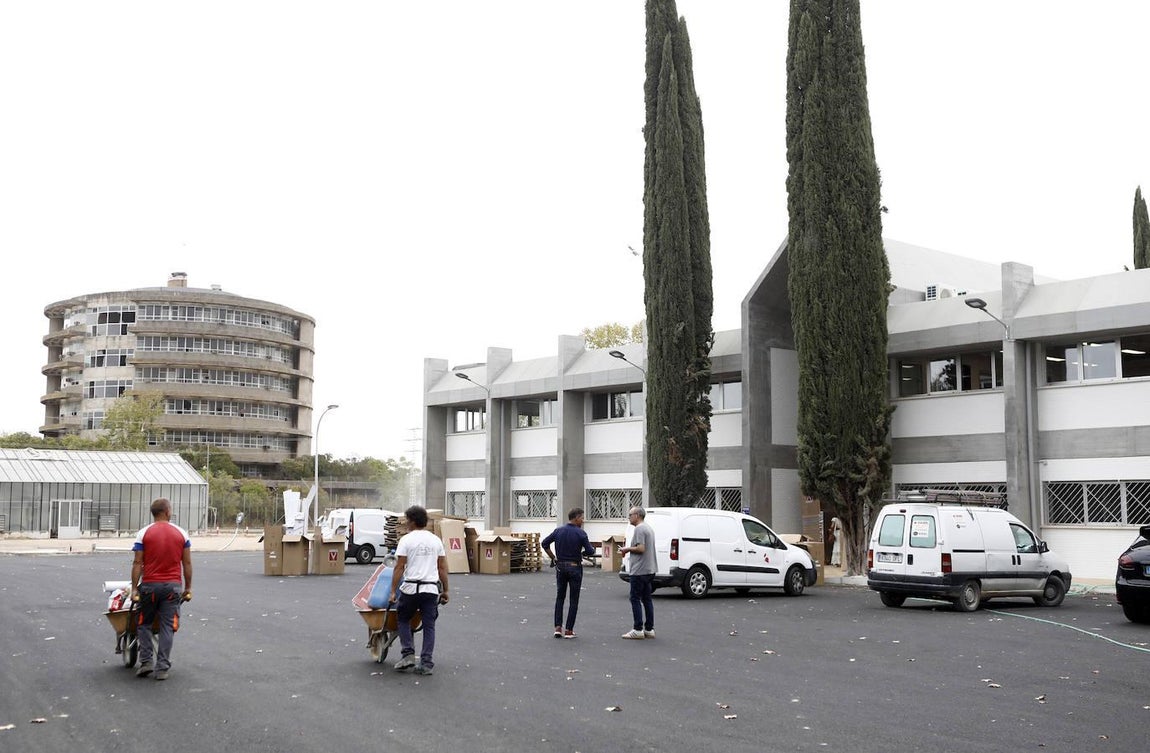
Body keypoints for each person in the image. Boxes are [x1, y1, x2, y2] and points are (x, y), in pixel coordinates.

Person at [129, 498, 193, 681]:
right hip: (172, 587)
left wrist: (134, 589)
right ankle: (162, 667)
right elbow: (186, 563)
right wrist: (188, 588)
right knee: (167, 627)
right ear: (167, 511)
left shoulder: (144, 533)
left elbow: (137, 563)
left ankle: (146, 662)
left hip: (149, 586)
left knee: (144, 623)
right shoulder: (181, 533)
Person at [388, 505, 449, 675]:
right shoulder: (436, 540)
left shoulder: (406, 540)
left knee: (403, 618)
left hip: (411, 588)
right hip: (430, 589)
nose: (406, 523)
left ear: (413, 521)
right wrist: (446, 591)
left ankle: (407, 654)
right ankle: (426, 662)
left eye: (407, 520)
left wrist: (393, 592)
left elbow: (399, 567)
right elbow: (442, 568)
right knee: (429, 625)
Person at [541, 507, 595, 639]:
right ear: (576, 518)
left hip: (560, 567)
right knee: (573, 599)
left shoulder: (558, 530)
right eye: (582, 518)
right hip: (575, 567)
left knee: (560, 597)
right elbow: (590, 551)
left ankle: (558, 628)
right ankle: (569, 630)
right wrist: (583, 552)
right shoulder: (581, 533)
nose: (583, 520)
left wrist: (553, 557)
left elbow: (544, 543)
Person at [620, 506, 657, 639]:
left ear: (637, 515)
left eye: (630, 514)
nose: (628, 517)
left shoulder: (639, 529)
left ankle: (637, 629)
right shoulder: (648, 528)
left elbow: (641, 548)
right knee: (647, 599)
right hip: (649, 569)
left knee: (635, 598)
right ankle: (649, 628)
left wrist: (626, 549)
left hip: (639, 570)